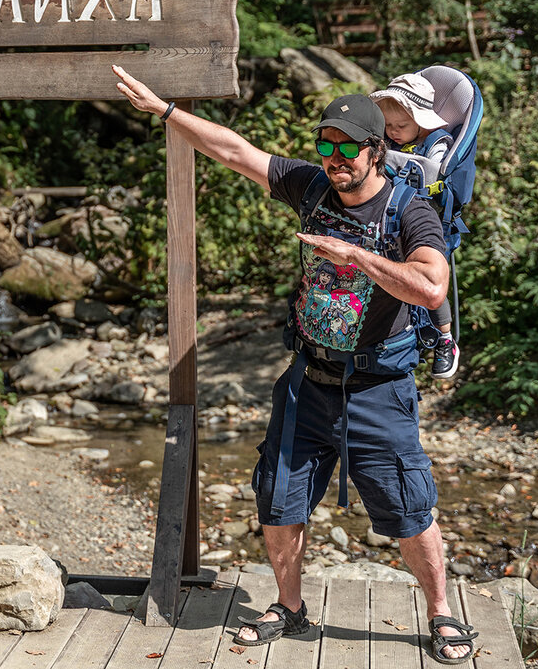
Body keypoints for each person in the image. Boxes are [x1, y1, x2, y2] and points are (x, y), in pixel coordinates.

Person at [111, 65, 477, 665]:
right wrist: (167, 112)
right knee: (279, 500)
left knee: (407, 508)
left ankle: (440, 612)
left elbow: (431, 287)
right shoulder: (309, 187)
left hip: (379, 387)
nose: (335, 158)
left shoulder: (410, 211)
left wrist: (355, 255)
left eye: (347, 148)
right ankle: (291, 607)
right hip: (307, 380)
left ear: (375, 150)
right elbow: (235, 151)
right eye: (326, 145)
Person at [370, 73, 460, 379]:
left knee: (430, 285)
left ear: (420, 123)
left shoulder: (436, 142)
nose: (393, 132)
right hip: (388, 219)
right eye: (388, 125)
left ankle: (446, 339)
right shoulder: (388, 140)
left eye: (401, 127)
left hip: (425, 222)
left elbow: (430, 172)